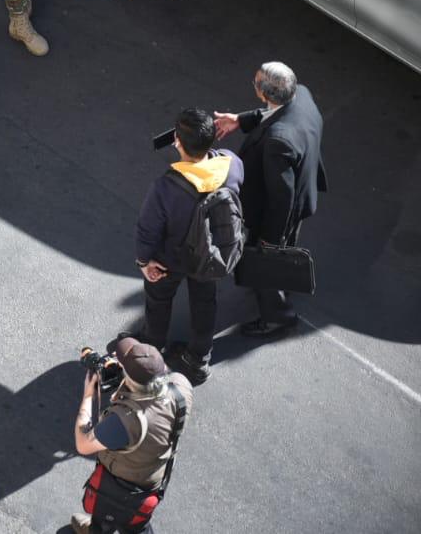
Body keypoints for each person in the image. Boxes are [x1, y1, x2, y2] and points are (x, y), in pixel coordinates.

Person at [214, 62, 327, 337]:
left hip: (279, 209)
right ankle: (282, 274)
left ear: (265, 93)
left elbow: (280, 198)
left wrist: (269, 241)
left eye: (255, 83)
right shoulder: (301, 94)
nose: (253, 86)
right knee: (284, 246)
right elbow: (272, 114)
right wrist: (240, 120)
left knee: (262, 261)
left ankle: (278, 315)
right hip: (304, 192)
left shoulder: (279, 142)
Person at [133, 109, 243, 386]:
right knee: (204, 302)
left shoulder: (165, 187)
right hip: (210, 255)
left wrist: (144, 261)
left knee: (159, 300)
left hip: (171, 258)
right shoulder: (232, 163)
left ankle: (152, 347)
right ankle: (199, 359)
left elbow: (148, 229)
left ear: (178, 142)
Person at [71, 338, 193, 534]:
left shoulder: (125, 421)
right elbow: (152, 381)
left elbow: (83, 444)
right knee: (137, 523)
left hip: (121, 486)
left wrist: (88, 395)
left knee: (106, 518)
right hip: (155, 477)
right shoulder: (182, 385)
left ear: (130, 379)